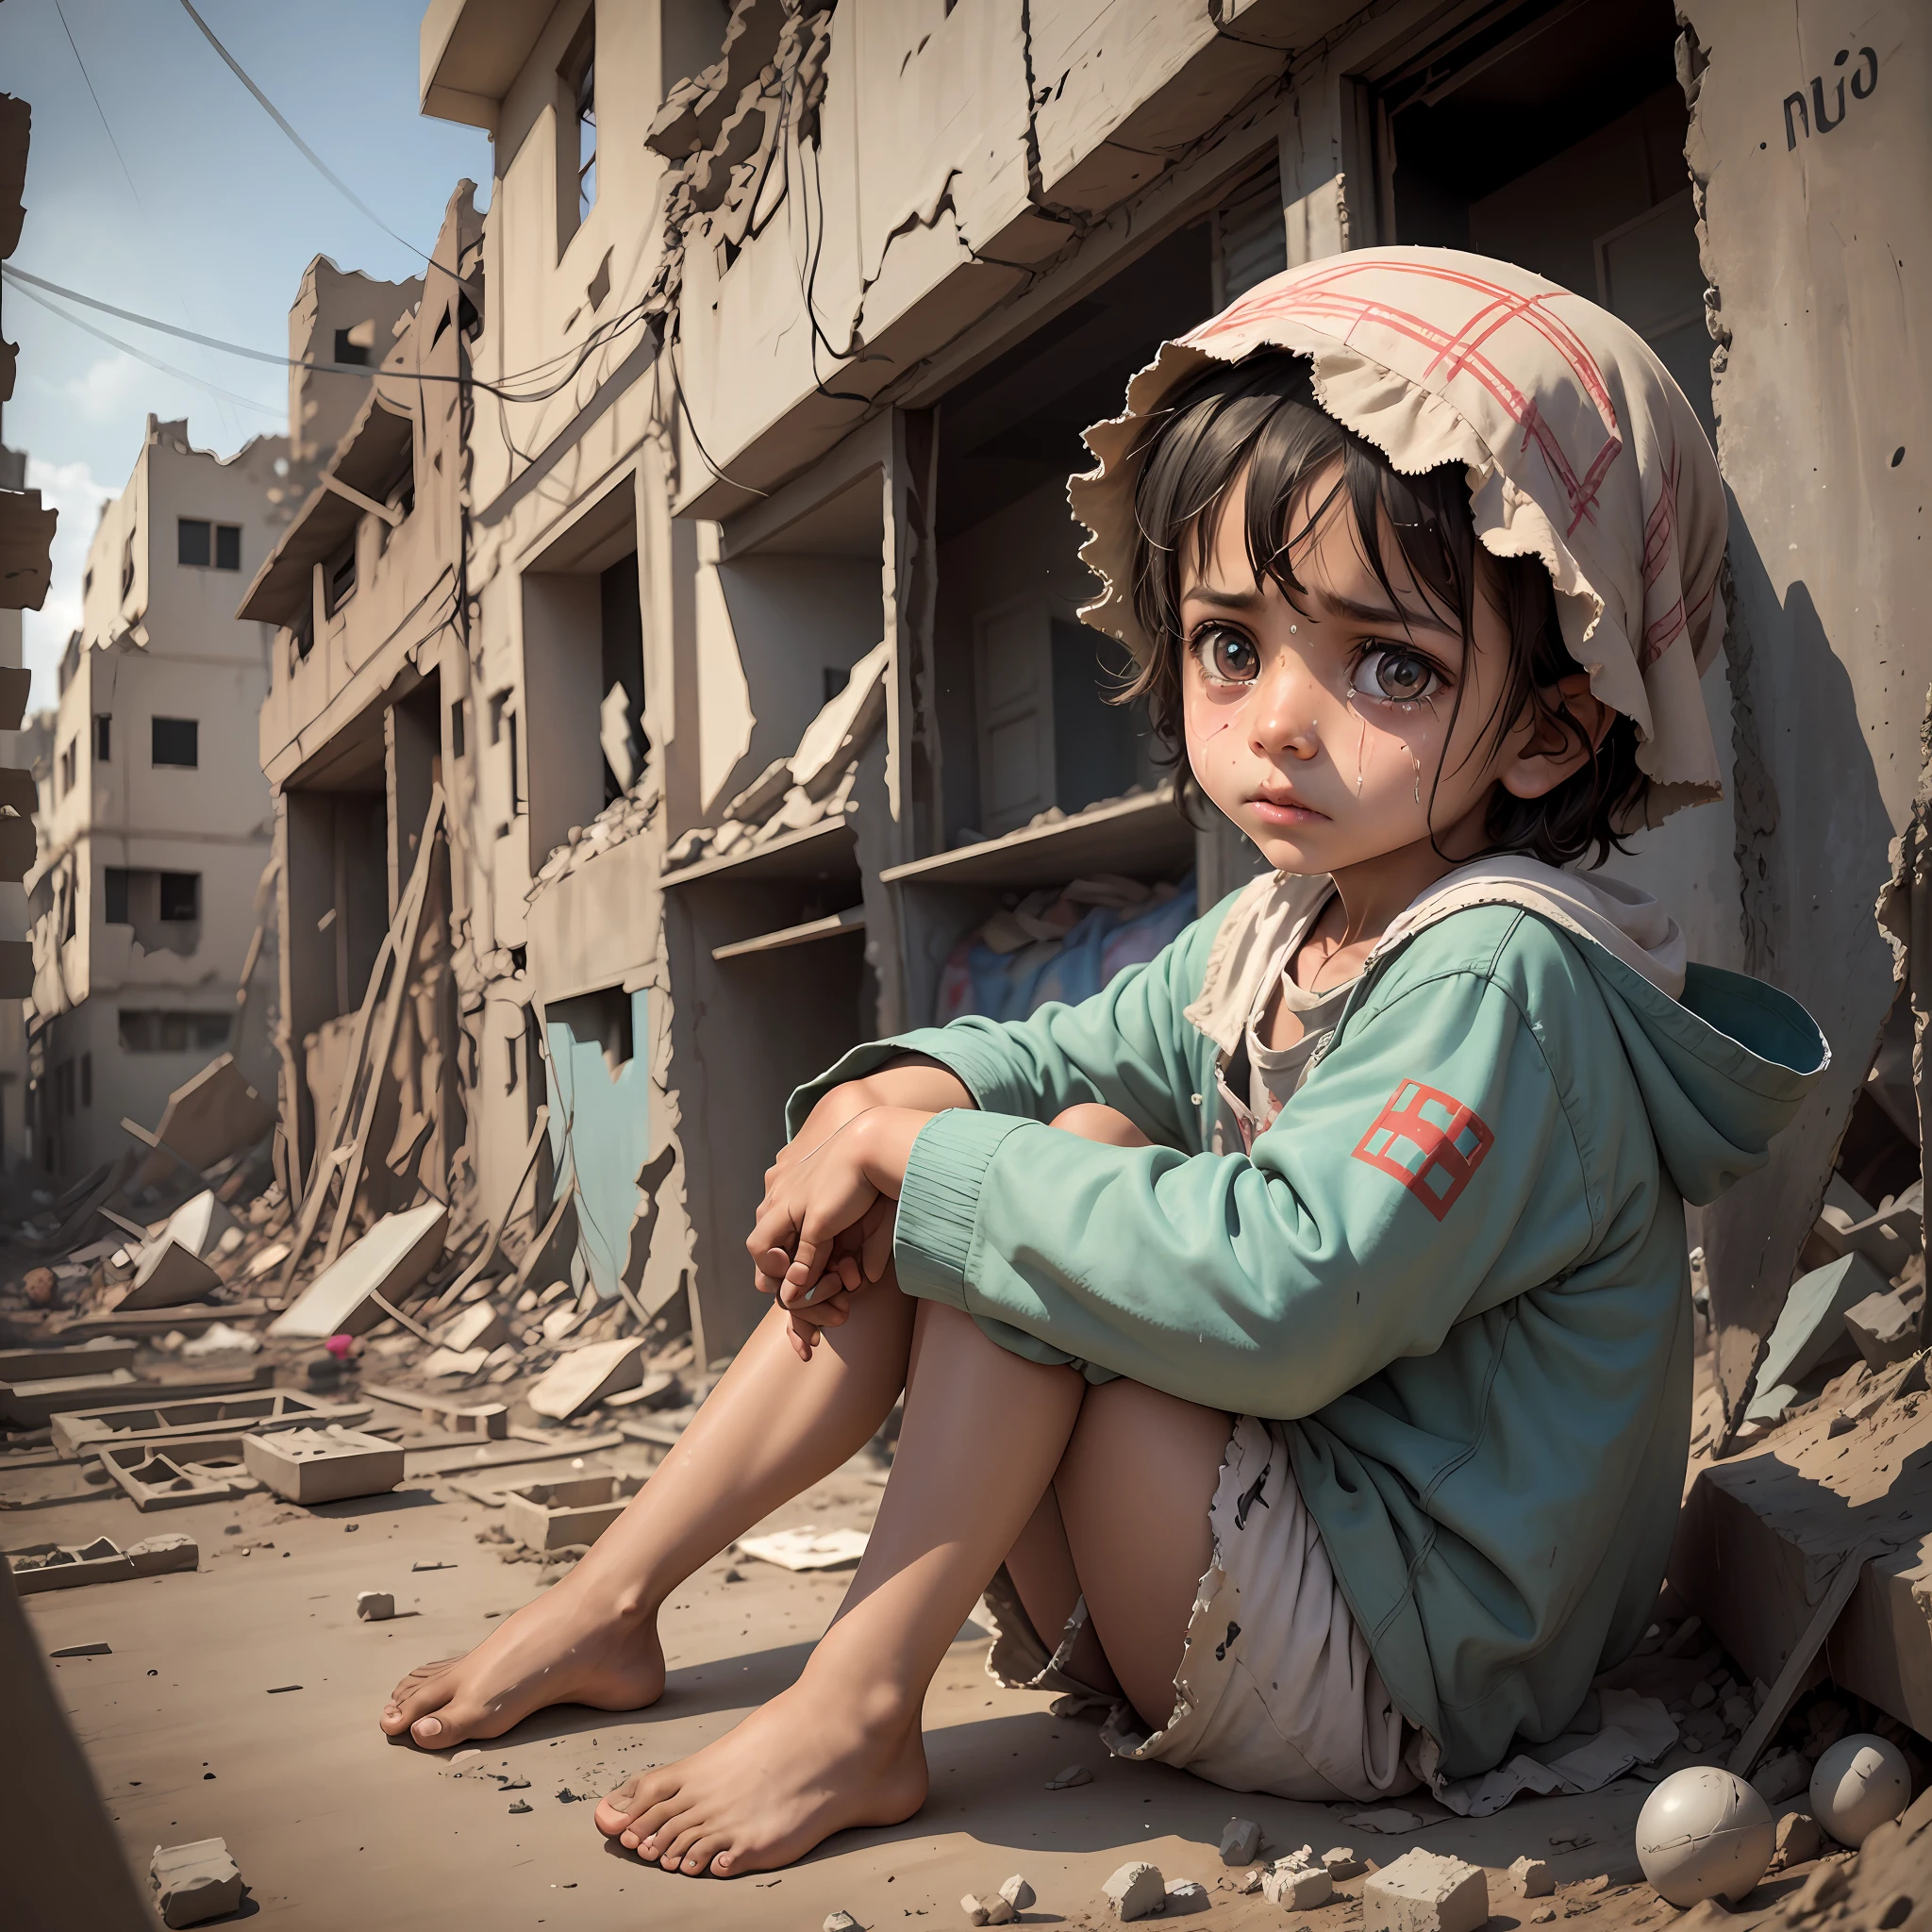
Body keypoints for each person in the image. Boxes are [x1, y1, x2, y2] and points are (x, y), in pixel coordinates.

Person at [378, 248, 1826, 1879]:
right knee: (1002, 1132)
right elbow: (1057, 1050)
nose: (1281, 718)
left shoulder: (1504, 973)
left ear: (1556, 731)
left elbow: (1294, 1295)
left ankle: (858, 1699)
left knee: (1050, 1180)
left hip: (1409, 1662)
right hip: (1254, 1568)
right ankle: (614, 1598)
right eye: (1231, 644)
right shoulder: (1282, 932)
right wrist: (893, 1103)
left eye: (1389, 665)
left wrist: (940, 1163)